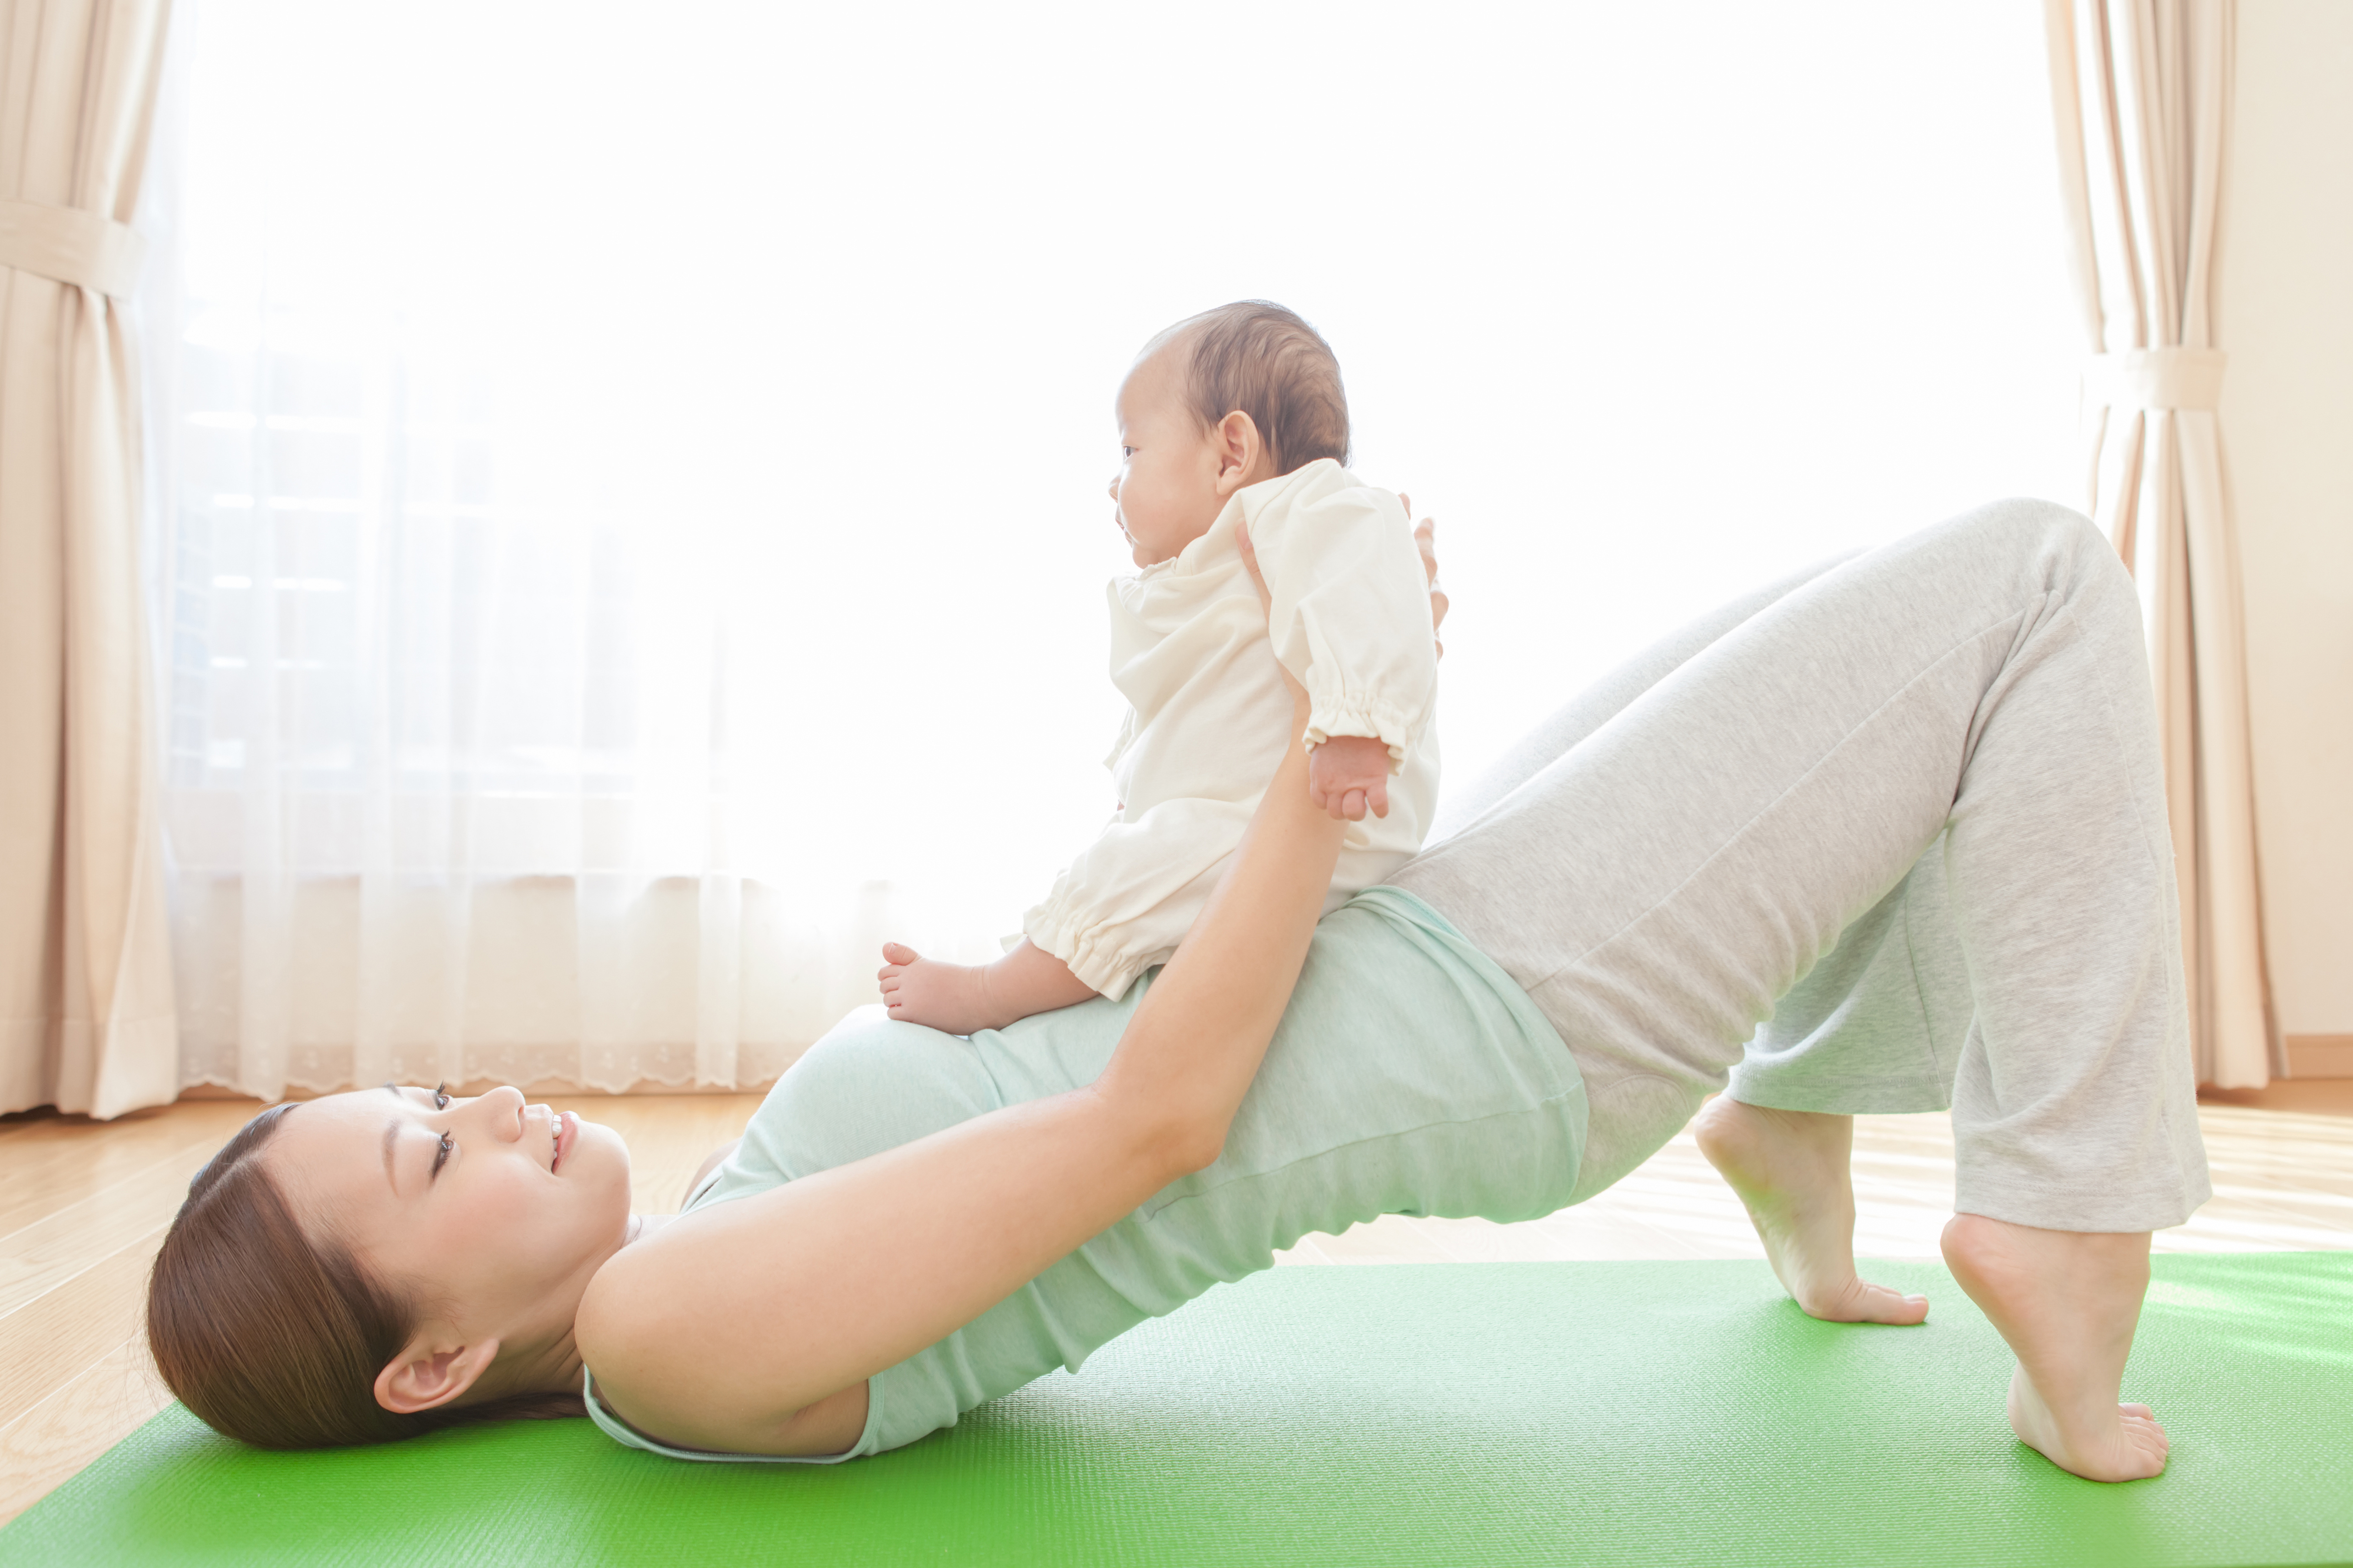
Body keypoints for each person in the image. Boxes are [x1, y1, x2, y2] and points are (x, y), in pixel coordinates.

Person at [147, 495, 2208, 1486]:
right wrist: (1328, 741)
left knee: (1871, 648)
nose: (493, 1097)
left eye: (436, 1090)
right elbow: (1154, 1122)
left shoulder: (696, 1268)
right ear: (425, 1362)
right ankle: (2059, 1204)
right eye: (431, 1146)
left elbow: (1094, 1042)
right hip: (1505, 1023)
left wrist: (1310, 729)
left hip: (1420, 953)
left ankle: (1800, 1101)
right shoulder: (664, 1332)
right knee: (2033, 583)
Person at [876, 301, 1441, 1035]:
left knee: (1131, 873)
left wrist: (1355, 731)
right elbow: (1192, 705)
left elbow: (1375, 589)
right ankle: (1058, 962)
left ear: (1230, 453)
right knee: (1130, 859)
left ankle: (993, 992)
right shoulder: (1209, 572)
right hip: (1248, 815)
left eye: (1131, 452)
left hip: (1338, 811)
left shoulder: (1313, 507)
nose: (1114, 485)